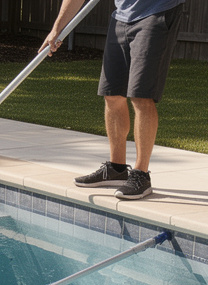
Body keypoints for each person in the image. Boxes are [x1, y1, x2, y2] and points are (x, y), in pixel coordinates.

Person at [43, 0, 185, 200]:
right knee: (112, 94)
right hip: (121, 17)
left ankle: (141, 175)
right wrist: (57, 29)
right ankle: (117, 169)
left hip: (157, 13)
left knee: (141, 95)